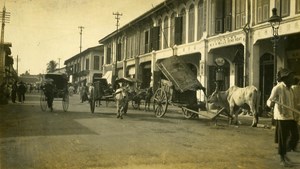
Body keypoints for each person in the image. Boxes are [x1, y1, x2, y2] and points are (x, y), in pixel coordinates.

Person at [267, 68, 299, 167]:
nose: (293, 79)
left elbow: (292, 103)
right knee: (282, 138)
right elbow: (269, 101)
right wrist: (271, 103)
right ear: (285, 79)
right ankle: (282, 158)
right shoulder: (278, 88)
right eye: (291, 77)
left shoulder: (291, 89)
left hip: (291, 115)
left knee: (295, 136)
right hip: (281, 117)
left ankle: (284, 153)